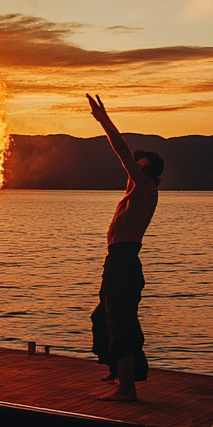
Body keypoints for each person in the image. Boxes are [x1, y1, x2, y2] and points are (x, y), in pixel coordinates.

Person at [85, 94, 164, 402]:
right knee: (102, 318)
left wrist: (104, 121)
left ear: (150, 172)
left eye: (139, 167)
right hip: (115, 260)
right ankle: (118, 372)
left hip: (125, 260)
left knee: (121, 320)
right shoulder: (135, 190)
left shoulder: (145, 187)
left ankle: (127, 389)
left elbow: (121, 152)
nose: (134, 169)